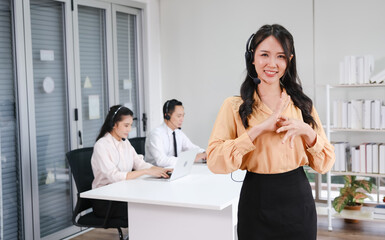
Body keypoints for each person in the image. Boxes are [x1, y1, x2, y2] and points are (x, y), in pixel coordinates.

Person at [206, 24, 335, 240]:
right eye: (264, 54)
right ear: (252, 58)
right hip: (256, 201)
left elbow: (325, 163)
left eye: (281, 56)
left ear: (289, 60)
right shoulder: (233, 106)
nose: (272, 64)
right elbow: (214, 161)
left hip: (298, 201)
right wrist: (258, 130)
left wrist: (307, 132)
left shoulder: (302, 105)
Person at [91, 105, 171, 219]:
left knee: (156, 201)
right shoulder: (102, 145)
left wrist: (161, 170)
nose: (129, 129)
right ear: (114, 124)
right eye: (126, 125)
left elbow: (139, 164)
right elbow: (115, 177)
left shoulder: (125, 142)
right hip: (106, 201)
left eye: (130, 126)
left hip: (123, 194)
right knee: (148, 210)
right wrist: (146, 172)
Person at [145, 99, 207, 168]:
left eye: (183, 116)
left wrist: (205, 153)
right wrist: (192, 158)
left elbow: (192, 148)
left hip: (174, 171)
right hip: (155, 174)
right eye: (179, 116)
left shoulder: (178, 132)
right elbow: (161, 161)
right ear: (167, 116)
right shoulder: (156, 135)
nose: (182, 119)